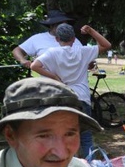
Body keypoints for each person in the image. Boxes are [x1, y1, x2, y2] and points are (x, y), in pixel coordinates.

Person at [31, 23, 111, 158]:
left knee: (64, 136)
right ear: (74, 39)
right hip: (82, 98)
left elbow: (34, 65)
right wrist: (90, 30)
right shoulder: (82, 51)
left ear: (57, 39)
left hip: (62, 99)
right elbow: (106, 45)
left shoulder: (52, 53)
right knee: (86, 137)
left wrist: (54, 77)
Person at [11, 9, 81, 69]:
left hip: (72, 82)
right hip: (48, 82)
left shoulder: (73, 40)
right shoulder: (38, 38)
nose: (63, 28)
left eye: (65, 25)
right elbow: (17, 50)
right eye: (59, 25)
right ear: (51, 25)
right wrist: (22, 60)